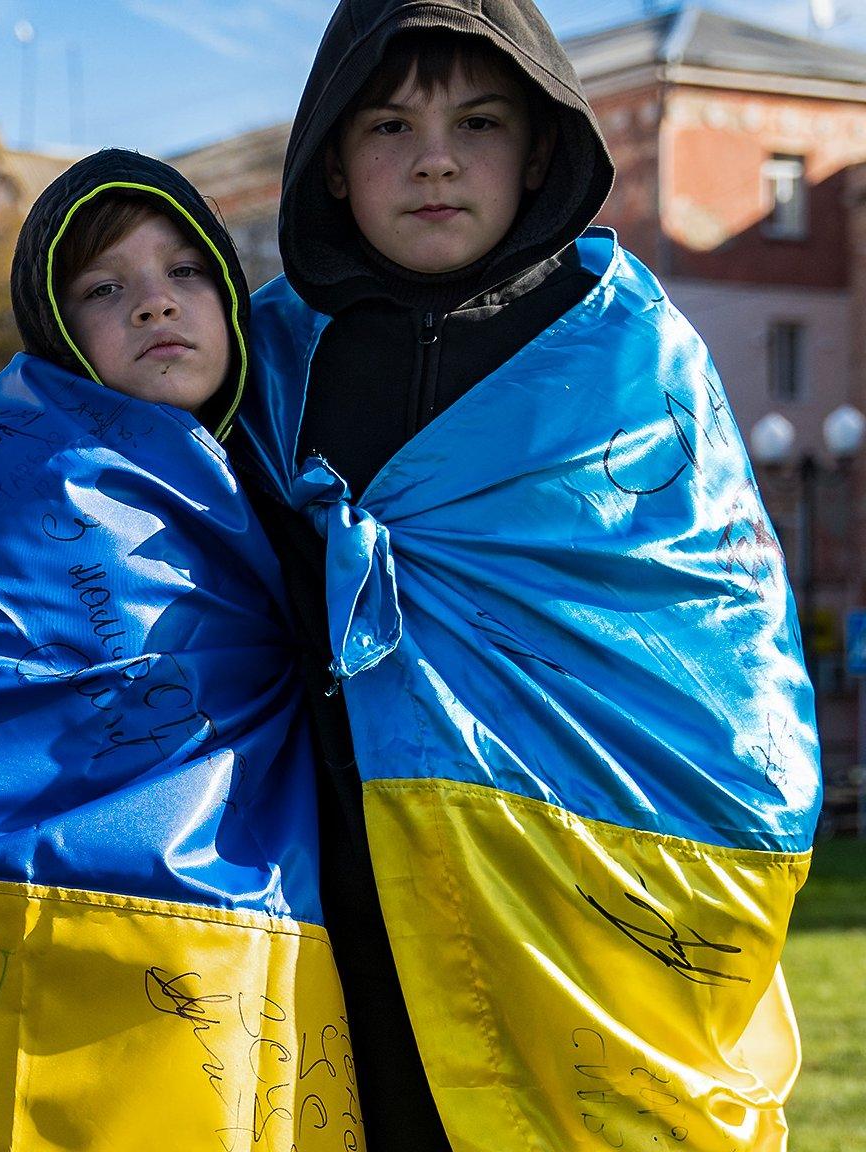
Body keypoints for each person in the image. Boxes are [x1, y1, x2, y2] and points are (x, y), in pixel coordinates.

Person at [235, 3, 821, 1147]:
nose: (435, 158)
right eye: (388, 126)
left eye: (478, 121)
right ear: (332, 167)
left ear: (539, 146)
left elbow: (717, 636)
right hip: (323, 883)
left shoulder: (623, 352)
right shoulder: (265, 361)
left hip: (567, 876)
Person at [0, 151, 351, 1148]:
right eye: (105, 287)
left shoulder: (266, 484)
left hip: (239, 947)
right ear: (56, 335)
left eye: (185, 272)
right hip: (106, 952)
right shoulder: (28, 489)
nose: (153, 304)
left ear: (230, 297)